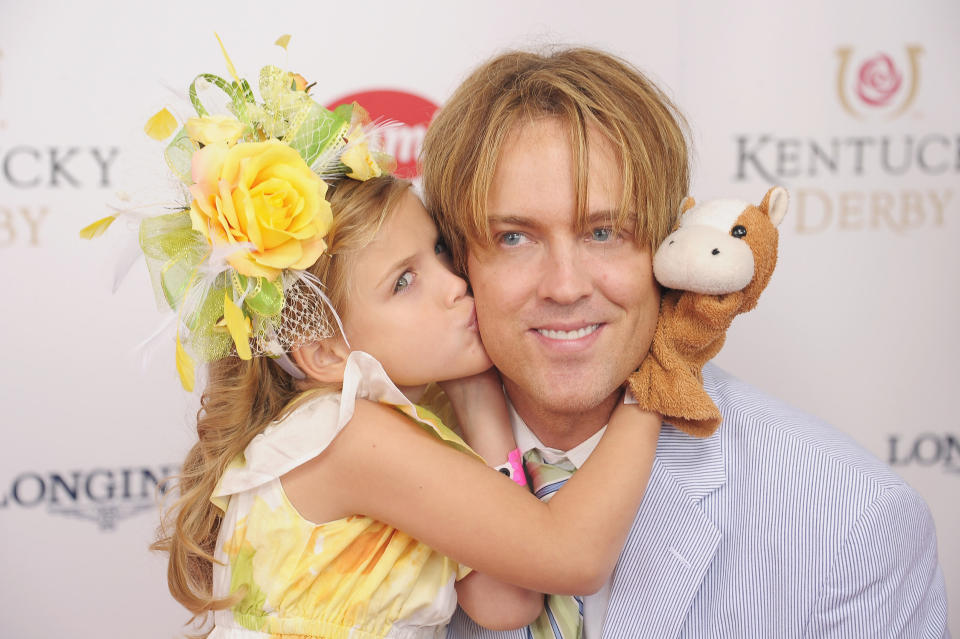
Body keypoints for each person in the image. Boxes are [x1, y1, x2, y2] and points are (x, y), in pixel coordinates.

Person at [103, 51, 664, 639]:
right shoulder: (347, 436)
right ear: (324, 352)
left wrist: (477, 402)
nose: (456, 285)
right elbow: (571, 558)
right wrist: (659, 376)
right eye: (404, 281)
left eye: (441, 252)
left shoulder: (397, 428)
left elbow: (507, 601)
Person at [420, 48, 950, 638]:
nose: (565, 287)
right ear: (457, 257)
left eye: (604, 232)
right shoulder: (365, 476)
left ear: (673, 243)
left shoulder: (852, 520)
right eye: (515, 237)